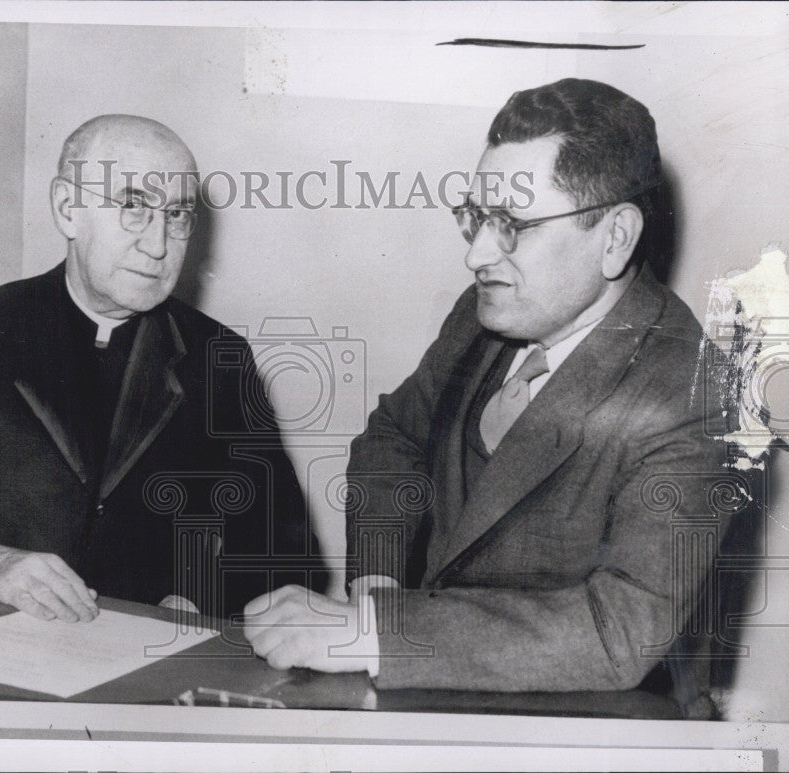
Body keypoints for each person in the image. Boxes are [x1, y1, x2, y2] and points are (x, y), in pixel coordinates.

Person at [243, 79, 735, 700]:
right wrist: (377, 582)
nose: (477, 254)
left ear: (615, 238)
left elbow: (619, 634)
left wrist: (374, 635)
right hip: (443, 694)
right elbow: (394, 440)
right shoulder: (490, 314)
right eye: (476, 217)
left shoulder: (697, 394)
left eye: (513, 225)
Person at [0, 115, 324, 622]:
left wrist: (196, 600)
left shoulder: (219, 355)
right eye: (132, 207)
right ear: (68, 209)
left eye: (176, 215)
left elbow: (288, 554)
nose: (158, 245)